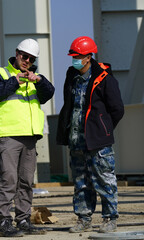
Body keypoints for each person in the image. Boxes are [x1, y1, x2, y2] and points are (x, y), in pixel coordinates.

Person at [0, 38, 55, 237]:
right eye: (24, 56)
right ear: (17, 54)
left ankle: (23, 219)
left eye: (31, 59)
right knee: (9, 179)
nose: (27, 61)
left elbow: (49, 92)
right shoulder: (0, 74)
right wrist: (14, 81)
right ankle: (5, 222)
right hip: (8, 135)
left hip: (29, 136)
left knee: (25, 180)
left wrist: (39, 80)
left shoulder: (35, 78)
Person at [56, 36, 124, 233]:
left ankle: (110, 219)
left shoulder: (105, 79)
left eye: (77, 56)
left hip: (98, 143)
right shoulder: (72, 77)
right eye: (73, 55)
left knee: (104, 180)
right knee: (81, 182)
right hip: (76, 141)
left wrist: (103, 129)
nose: (74, 59)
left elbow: (117, 109)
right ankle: (84, 219)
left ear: (88, 57)